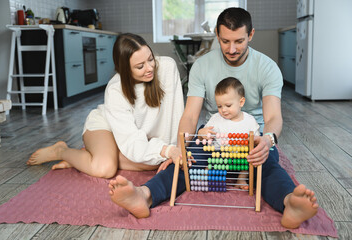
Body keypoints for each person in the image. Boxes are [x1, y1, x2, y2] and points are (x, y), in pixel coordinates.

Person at [108, 8, 319, 229]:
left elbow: (274, 116)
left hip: (252, 138)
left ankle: (289, 204)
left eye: (239, 41)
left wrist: (268, 140)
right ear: (217, 35)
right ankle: (144, 195)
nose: (232, 49)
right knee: (186, 164)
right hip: (214, 136)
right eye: (225, 41)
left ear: (251, 34)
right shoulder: (201, 66)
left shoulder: (267, 68)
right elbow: (190, 115)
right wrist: (182, 147)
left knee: (267, 164)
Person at [27, 33, 184, 179]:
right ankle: (62, 151)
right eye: (140, 66)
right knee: (105, 168)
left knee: (154, 161)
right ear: (125, 70)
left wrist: (175, 148)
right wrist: (166, 150)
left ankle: (89, 156)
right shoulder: (115, 88)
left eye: (150, 59)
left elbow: (176, 114)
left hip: (133, 134)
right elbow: (132, 143)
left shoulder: (167, 67)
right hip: (106, 126)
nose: (150, 68)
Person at [197, 77, 260, 189]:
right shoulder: (216, 119)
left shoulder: (249, 121)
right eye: (219, 106)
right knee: (212, 160)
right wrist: (202, 133)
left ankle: (241, 179)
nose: (223, 110)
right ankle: (206, 175)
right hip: (220, 155)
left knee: (250, 159)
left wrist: (252, 143)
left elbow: (257, 140)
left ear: (241, 102)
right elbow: (203, 135)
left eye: (228, 106)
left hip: (240, 157)